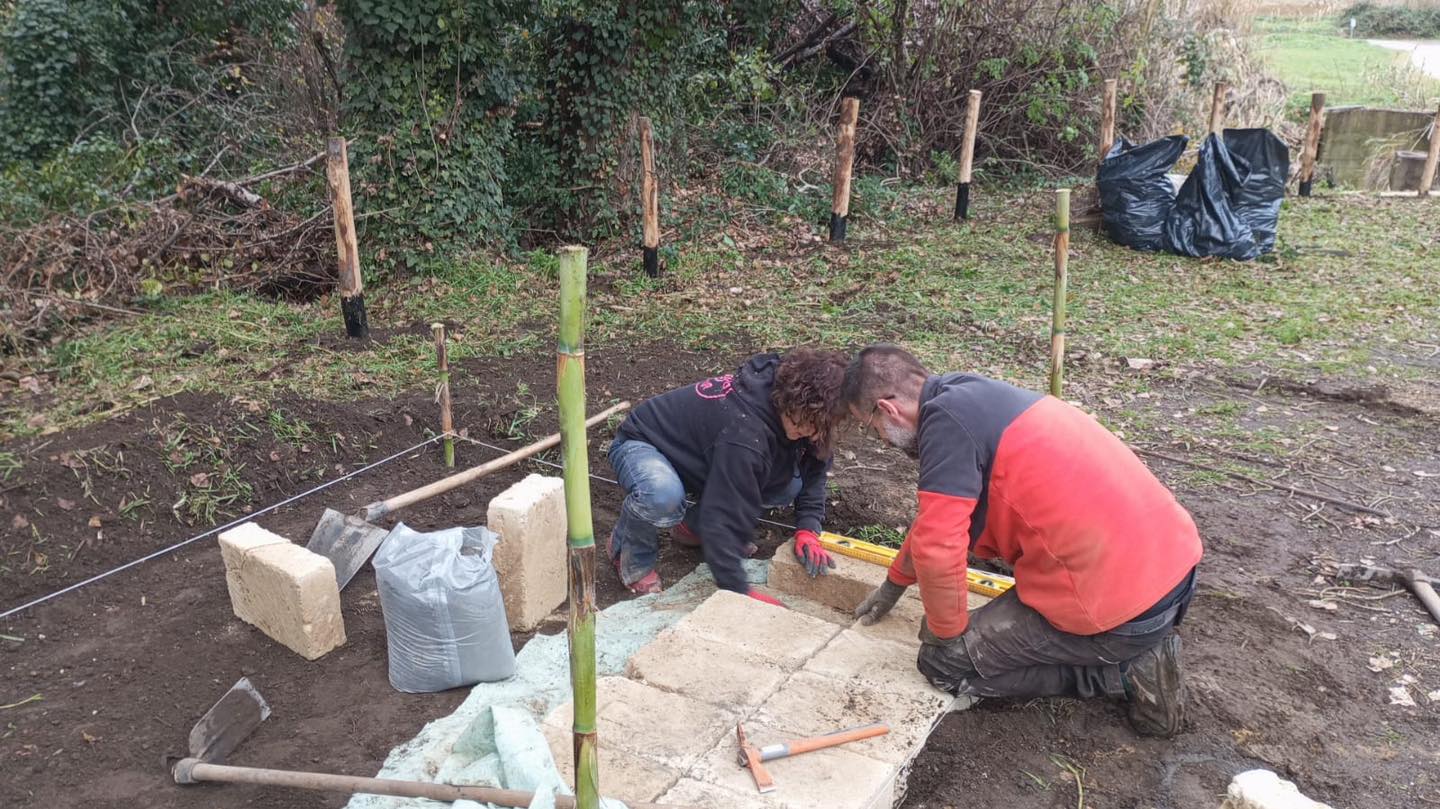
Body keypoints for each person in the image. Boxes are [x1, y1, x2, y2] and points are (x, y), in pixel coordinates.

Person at [843, 344, 1202, 737]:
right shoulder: (970, 396)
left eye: (870, 427)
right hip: (1173, 567)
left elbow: (937, 548)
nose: (880, 440)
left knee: (943, 664)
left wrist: (945, 635)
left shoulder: (945, 426)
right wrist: (894, 585)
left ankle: (1120, 672)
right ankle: (1128, 650)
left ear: (888, 409)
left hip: (1118, 610)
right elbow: (937, 523)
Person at [606, 348, 848, 603]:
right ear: (789, 401)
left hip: (700, 456)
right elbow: (723, 509)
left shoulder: (808, 421)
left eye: (818, 425)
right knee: (662, 495)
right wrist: (737, 588)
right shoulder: (745, 431)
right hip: (644, 445)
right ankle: (628, 554)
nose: (809, 431)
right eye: (804, 422)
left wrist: (808, 528)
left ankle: (690, 528)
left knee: (786, 483)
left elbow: (814, 469)